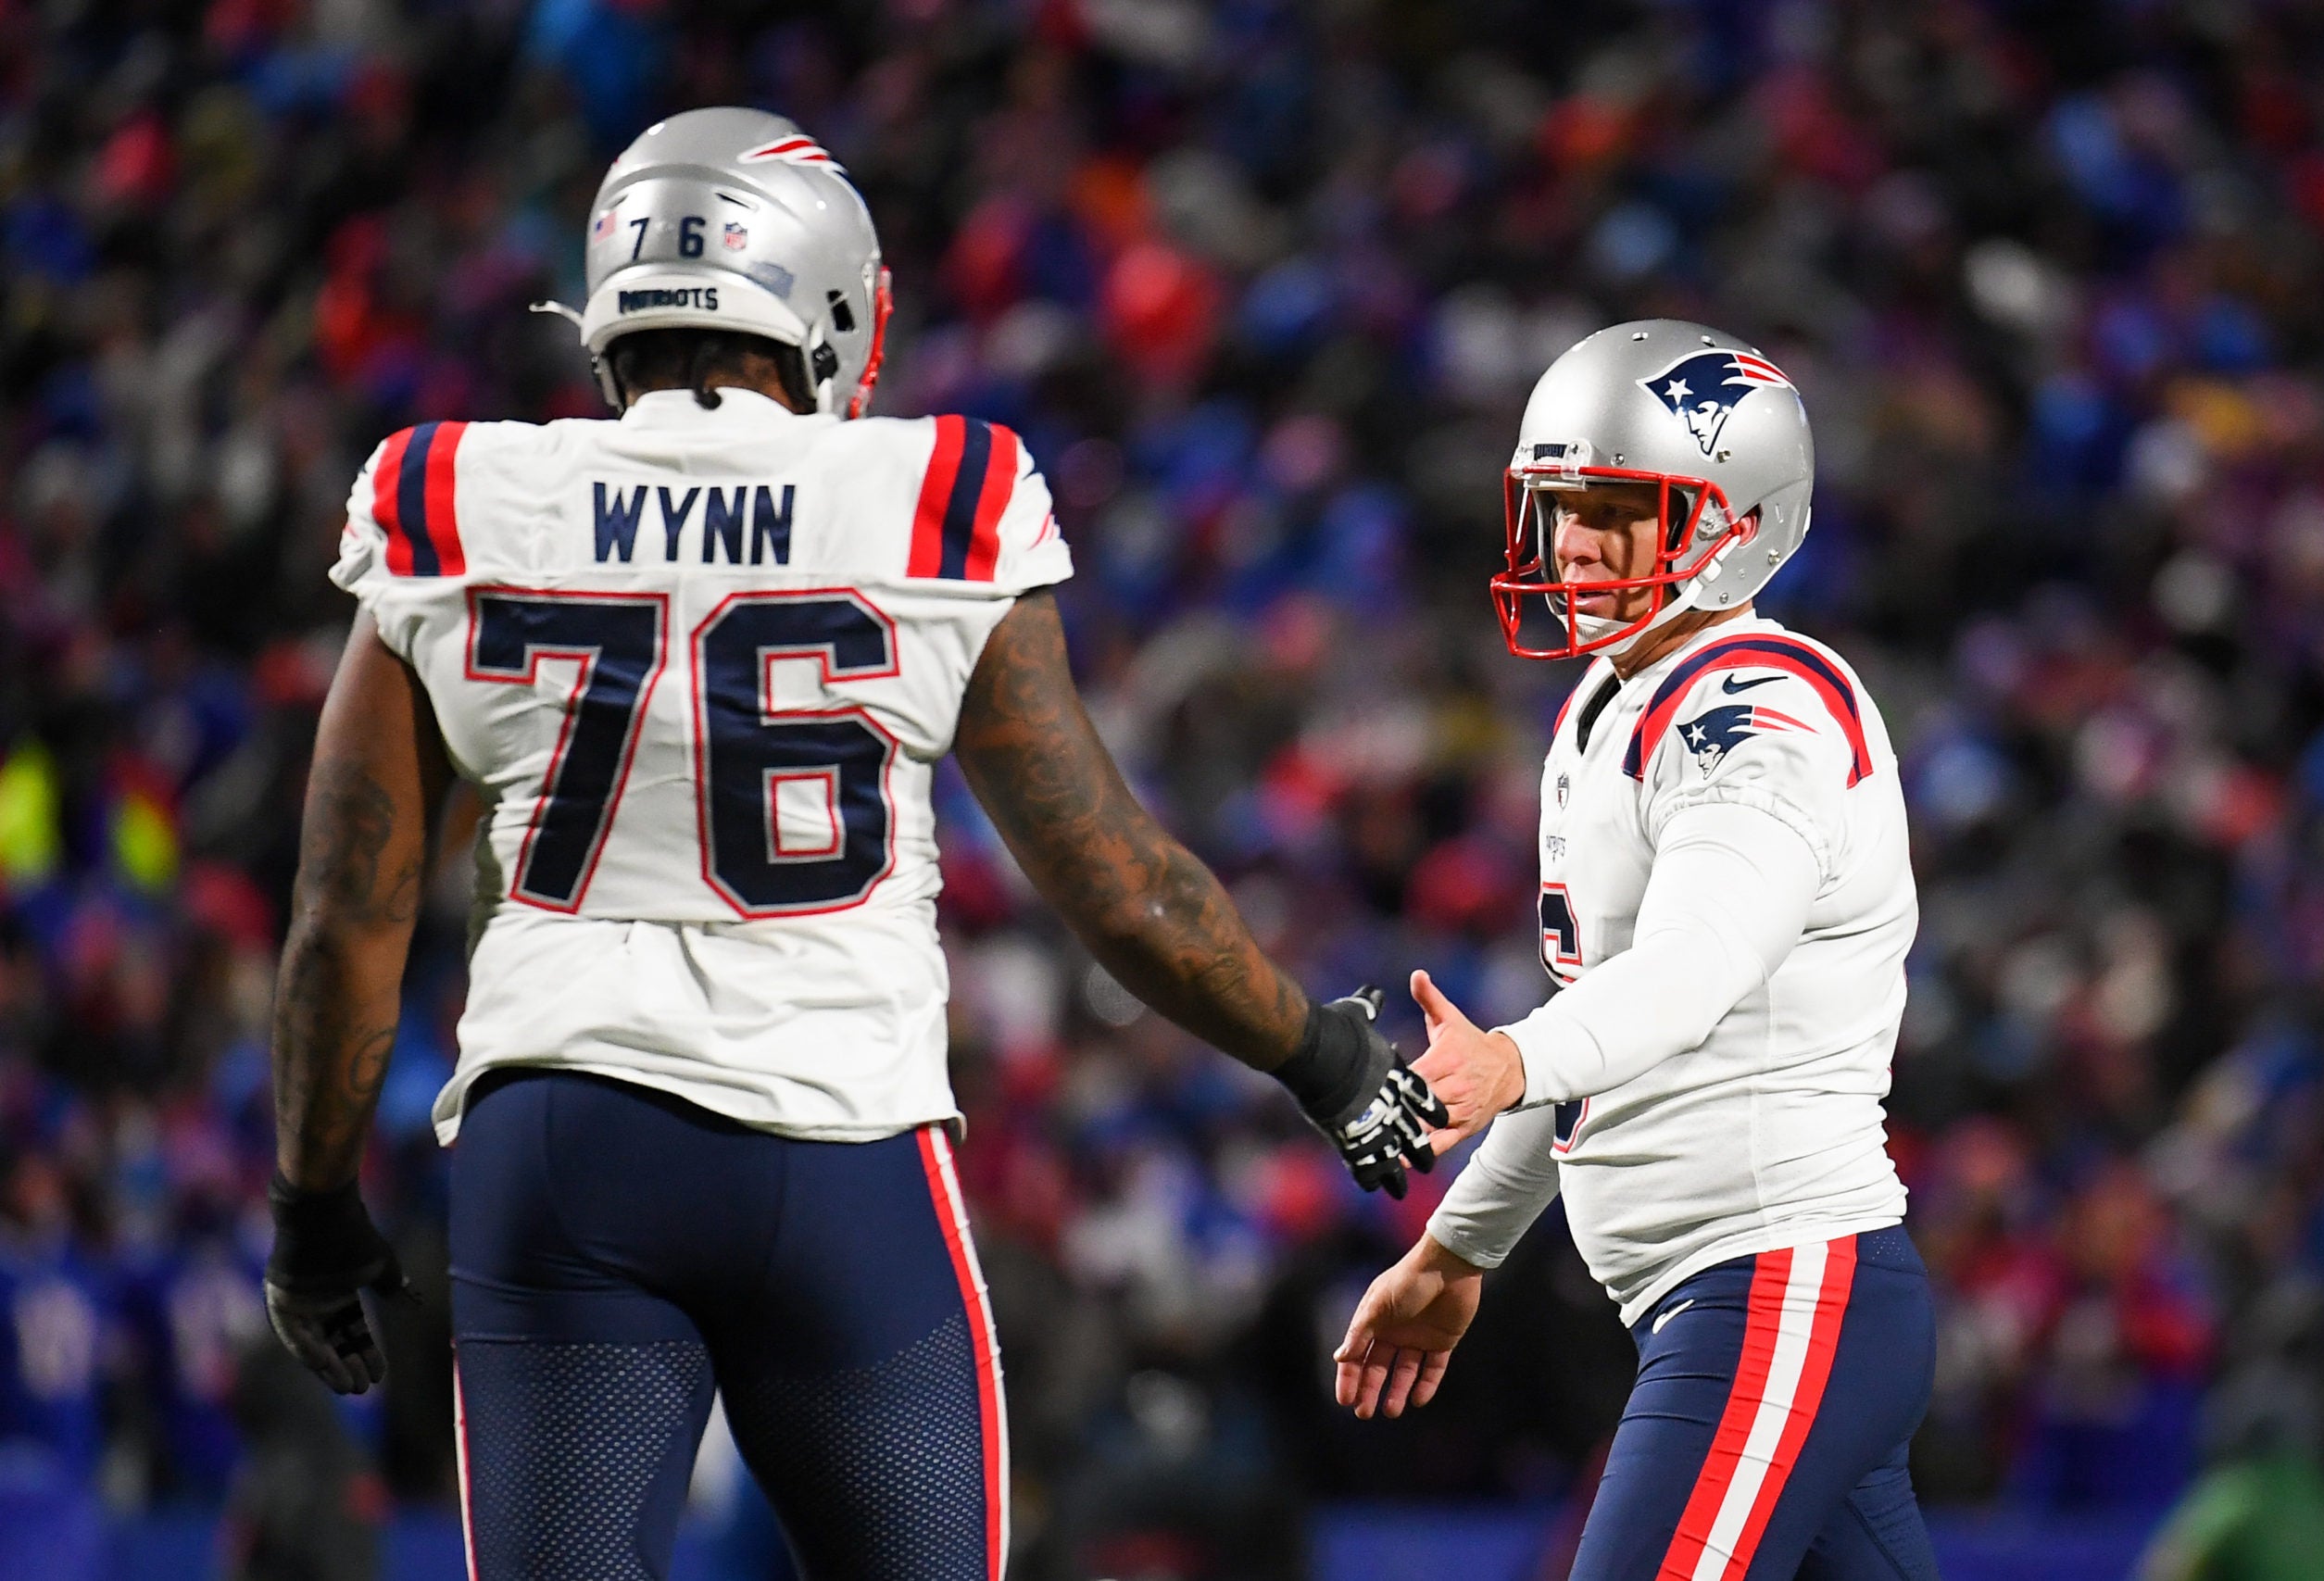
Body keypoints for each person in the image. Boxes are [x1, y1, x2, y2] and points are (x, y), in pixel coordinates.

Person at [257, 107, 1444, 1581]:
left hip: (561, 1143)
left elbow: (344, 913)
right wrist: (1325, 1064)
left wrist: (311, 1204)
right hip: (840, 1148)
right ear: (825, 298)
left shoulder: (455, 495)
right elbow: (1121, 886)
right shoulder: (933, 496)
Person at [1333, 321, 1941, 1580]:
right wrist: (1458, 1249)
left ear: (1742, 524)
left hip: (1778, 1286)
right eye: (1561, 506)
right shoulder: (1617, 701)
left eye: (1623, 510)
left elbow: (1687, 976)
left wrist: (1506, 1057)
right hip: (1747, 1300)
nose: (1576, 546)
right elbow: (1599, 1044)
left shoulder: (1761, 718)